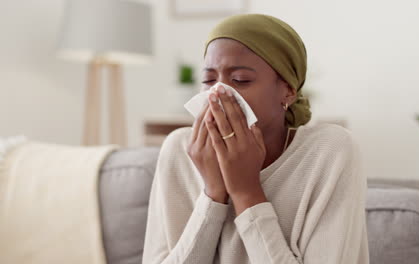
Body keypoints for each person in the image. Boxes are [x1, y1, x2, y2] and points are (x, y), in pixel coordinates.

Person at [142, 14, 369, 264]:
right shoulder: (179, 149)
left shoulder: (330, 152)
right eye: (208, 80)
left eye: (240, 80)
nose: (218, 92)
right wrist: (213, 194)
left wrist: (245, 192)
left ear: (288, 91)